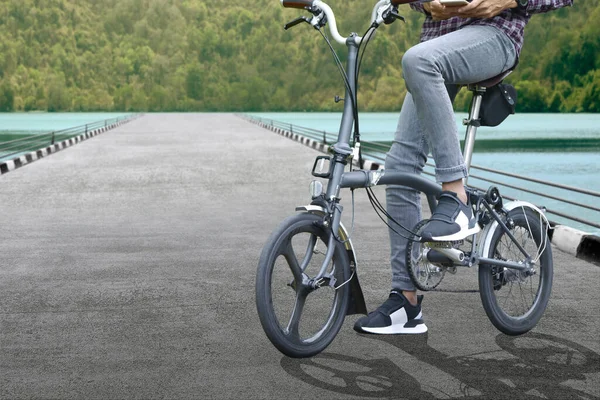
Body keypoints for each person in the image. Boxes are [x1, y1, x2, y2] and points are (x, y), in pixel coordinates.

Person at [354, 0, 573, 335]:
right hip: (440, 43)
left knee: (418, 59)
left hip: (494, 36)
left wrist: (509, 0)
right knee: (400, 167)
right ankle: (406, 304)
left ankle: (456, 199)